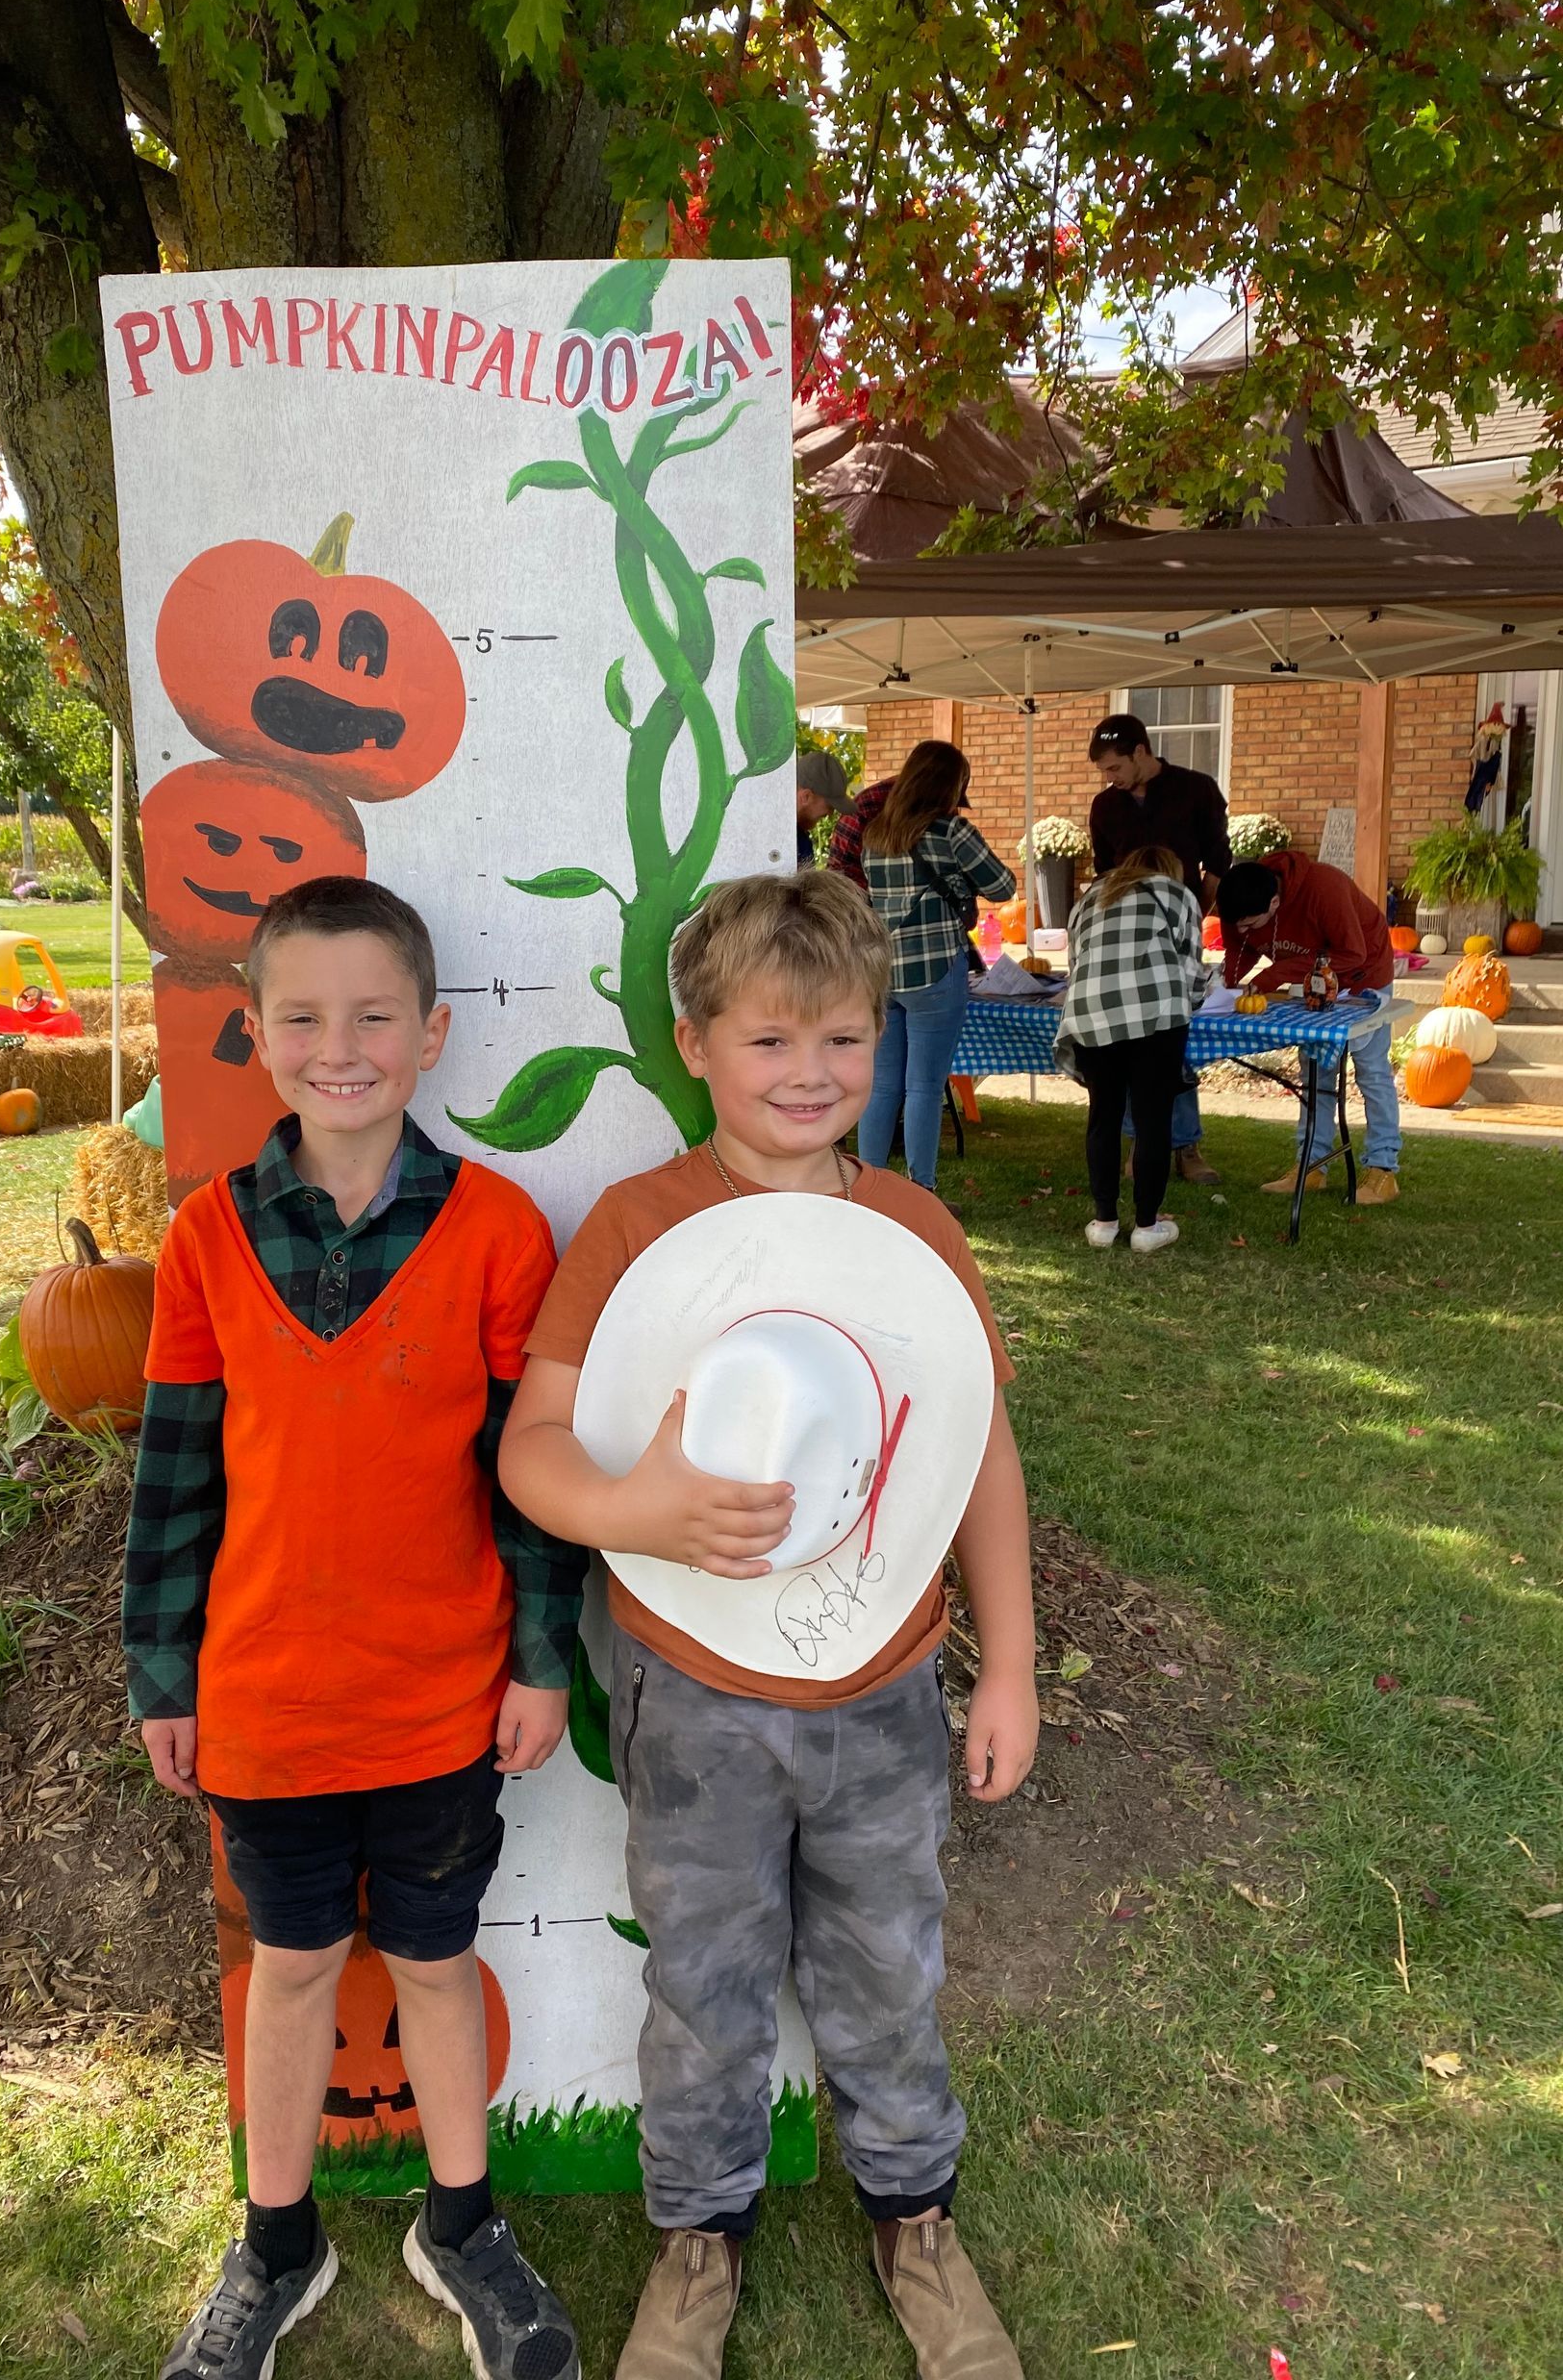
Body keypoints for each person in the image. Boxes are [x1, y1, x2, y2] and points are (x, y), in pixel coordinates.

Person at [499, 869, 1037, 2380]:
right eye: (769, 1044)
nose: (810, 1078)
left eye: (847, 1043)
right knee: (707, 1970)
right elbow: (535, 1446)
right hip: (695, 1690)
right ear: (693, 1045)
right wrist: (637, 1516)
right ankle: (697, 2238)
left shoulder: (916, 1226)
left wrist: (1014, 1667)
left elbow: (976, 1455)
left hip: (883, 1686)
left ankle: (916, 2218)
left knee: (888, 1958)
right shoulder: (636, 1224)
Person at [124, 875, 586, 2380]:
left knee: (439, 1964)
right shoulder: (204, 1240)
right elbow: (176, 1470)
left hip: (443, 1695)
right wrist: (162, 1672)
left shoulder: (500, 1231)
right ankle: (277, 2240)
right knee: (297, 1967)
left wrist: (540, 1658)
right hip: (264, 1703)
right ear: (254, 1035)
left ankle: (464, 2227)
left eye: (375, 1016)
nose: (343, 1047)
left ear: (431, 1033)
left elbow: (532, 1474)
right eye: (306, 1017)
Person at [857, 740, 1016, 1194]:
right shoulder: (951, 831)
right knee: (925, 1086)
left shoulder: (876, 834)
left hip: (883, 972)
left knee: (883, 1085)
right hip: (934, 969)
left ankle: (869, 1191)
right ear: (950, 785)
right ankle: (919, 1193)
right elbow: (1003, 887)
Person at [1087, 711, 1234, 1186]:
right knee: (1129, 1044)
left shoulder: (1196, 789)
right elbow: (1104, 875)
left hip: (1179, 939)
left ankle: (1186, 1144)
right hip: (1124, 947)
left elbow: (1217, 863)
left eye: (1114, 768)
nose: (1109, 779)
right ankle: (1139, 1144)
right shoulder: (1105, 807)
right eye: (1103, 772)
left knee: (1177, 1044)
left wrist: (1194, 914)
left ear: (1140, 752)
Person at [1217, 850, 1401, 1205]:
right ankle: (1311, 1164)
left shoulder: (1323, 888)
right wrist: (1224, 988)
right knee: (1315, 1069)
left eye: (1249, 924)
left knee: (1372, 1070)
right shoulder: (1242, 897)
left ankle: (1383, 1169)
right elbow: (1242, 948)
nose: (1240, 931)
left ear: (1274, 902)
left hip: (1363, 974)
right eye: (1235, 923)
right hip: (1313, 979)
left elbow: (1353, 952)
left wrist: (1273, 976)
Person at [1056, 845, 1205, 1255]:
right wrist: (1194, 1002)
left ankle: (1103, 1220)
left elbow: (1076, 962)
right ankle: (1146, 1224)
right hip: (1155, 1013)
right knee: (1152, 1119)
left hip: (1090, 1013)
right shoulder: (1177, 895)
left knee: (1102, 1115)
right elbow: (1191, 969)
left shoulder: (1090, 897)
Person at [794, 746, 850, 862]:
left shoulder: (799, 836)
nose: (830, 814)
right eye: (830, 805)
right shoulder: (779, 839)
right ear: (806, 796)